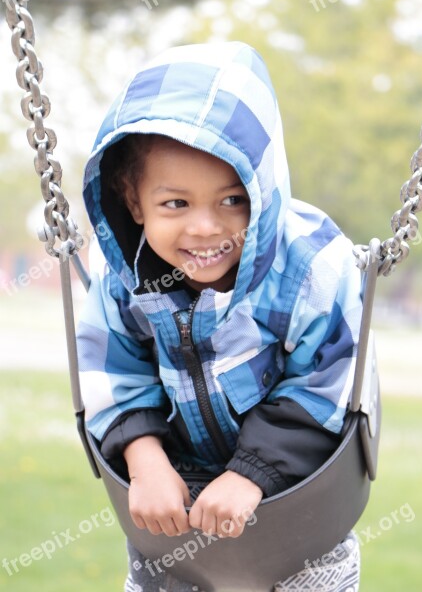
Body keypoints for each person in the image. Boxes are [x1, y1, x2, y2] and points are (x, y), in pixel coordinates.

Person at [77, 41, 362, 592]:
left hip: (299, 498)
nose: (206, 228)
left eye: (233, 200)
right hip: (174, 499)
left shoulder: (310, 267)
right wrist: (145, 461)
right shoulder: (122, 278)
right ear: (133, 202)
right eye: (175, 204)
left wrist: (252, 473)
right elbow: (110, 369)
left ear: (264, 186)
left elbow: (328, 380)